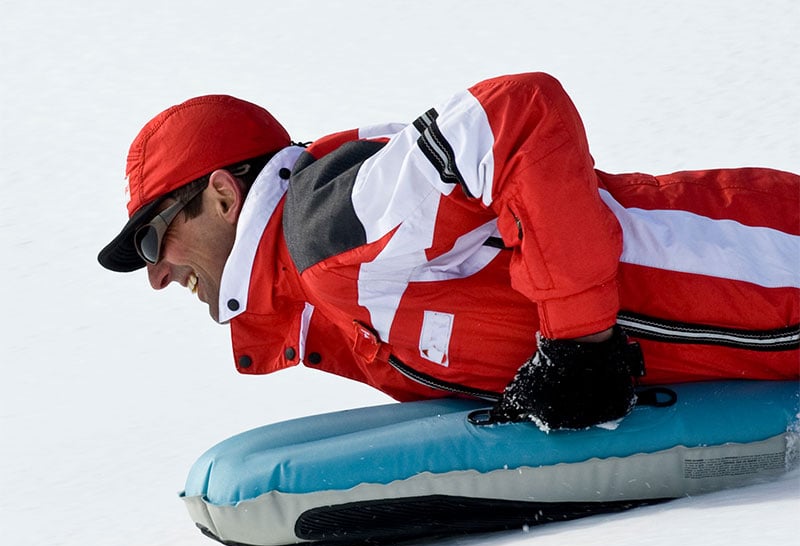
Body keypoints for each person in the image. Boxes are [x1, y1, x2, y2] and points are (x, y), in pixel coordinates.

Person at [98, 72, 799, 432]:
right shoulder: (318, 310)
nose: (159, 275)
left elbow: (521, 111)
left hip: (768, 262)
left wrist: (577, 341)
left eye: (156, 238)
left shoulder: (326, 225)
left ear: (223, 195)